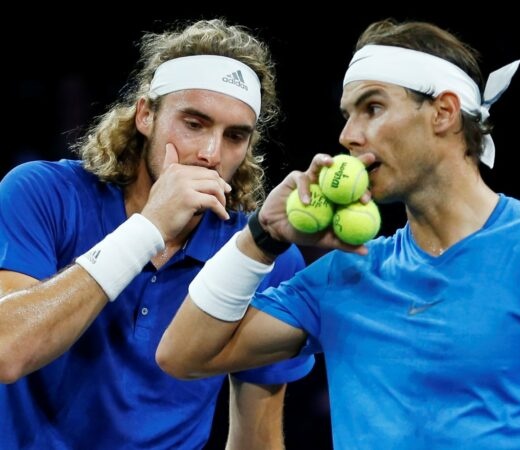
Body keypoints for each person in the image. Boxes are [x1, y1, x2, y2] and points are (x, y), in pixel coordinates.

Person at [156, 19, 520, 449]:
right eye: (347, 115)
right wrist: (262, 237)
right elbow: (182, 356)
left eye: (372, 108)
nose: (347, 136)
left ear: (443, 112)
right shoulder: (346, 275)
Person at [0, 19, 315, 449]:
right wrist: (148, 229)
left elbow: (257, 440)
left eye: (235, 136)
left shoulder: (261, 254)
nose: (211, 154)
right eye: (194, 123)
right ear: (146, 114)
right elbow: (7, 349)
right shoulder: (42, 193)